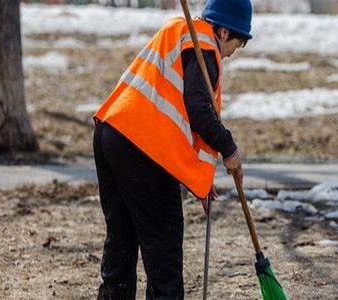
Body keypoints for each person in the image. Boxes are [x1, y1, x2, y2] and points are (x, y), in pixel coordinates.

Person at [91, 0, 252, 298]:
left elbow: (174, 116)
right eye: (238, 44)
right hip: (142, 150)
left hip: (110, 132)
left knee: (121, 244)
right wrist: (230, 149)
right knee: (163, 252)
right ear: (226, 32)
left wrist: (201, 180)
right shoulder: (205, 48)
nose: (231, 54)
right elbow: (199, 112)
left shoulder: (178, 32)